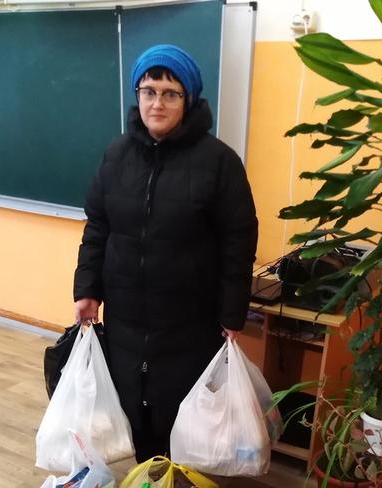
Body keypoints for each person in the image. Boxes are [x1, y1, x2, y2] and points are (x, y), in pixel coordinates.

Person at [74, 44, 258, 463]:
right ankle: (149, 484)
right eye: (148, 91)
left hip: (189, 323)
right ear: (137, 96)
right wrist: (87, 289)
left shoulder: (220, 162)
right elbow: (97, 227)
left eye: (170, 93)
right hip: (125, 318)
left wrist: (232, 313)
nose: (157, 103)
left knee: (183, 420)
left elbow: (239, 241)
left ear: (187, 99)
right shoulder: (115, 156)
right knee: (134, 412)